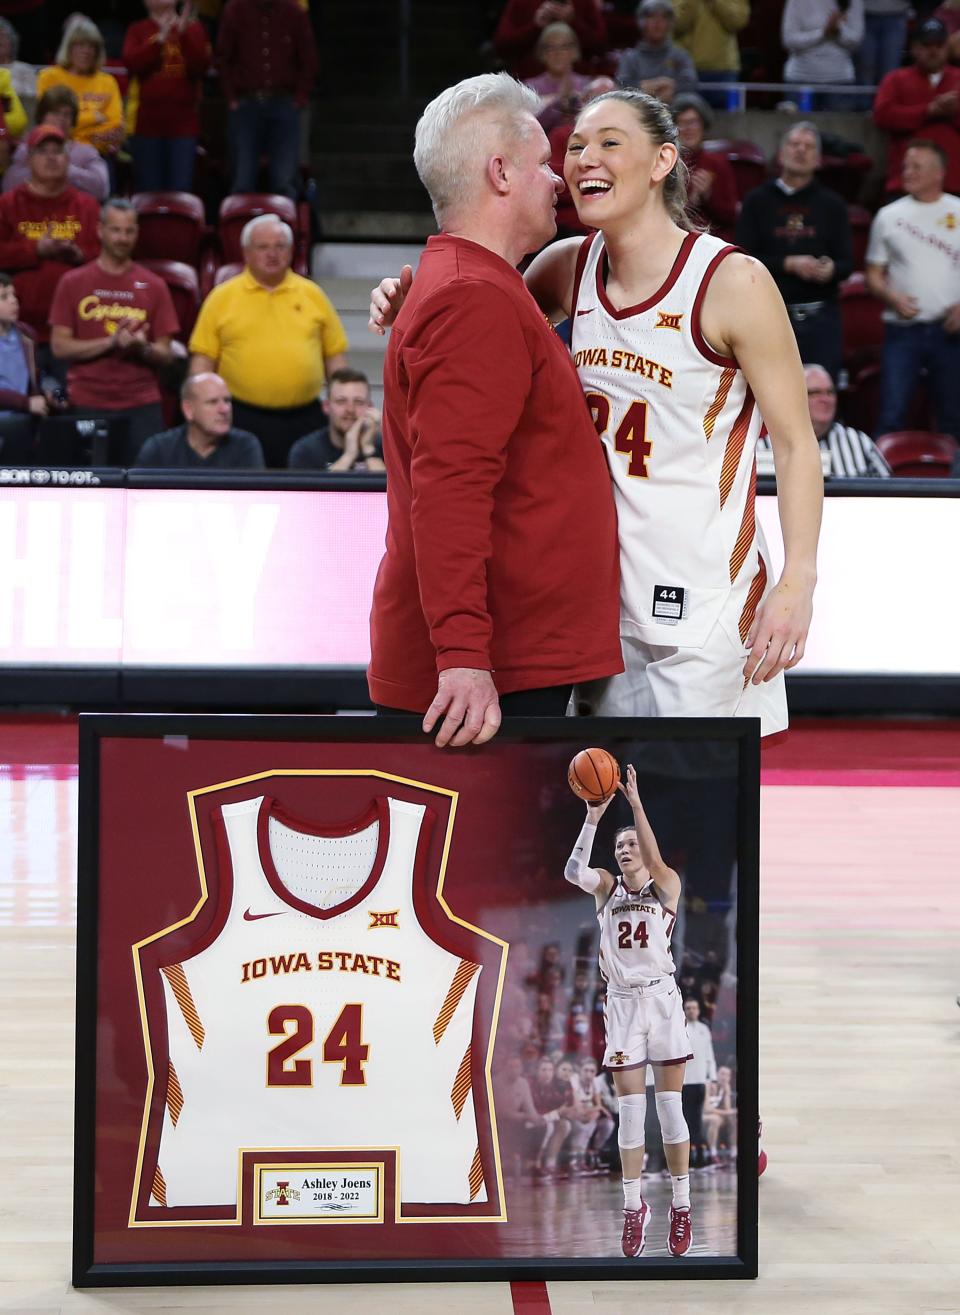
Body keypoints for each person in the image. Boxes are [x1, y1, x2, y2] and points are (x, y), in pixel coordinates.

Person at [372, 90, 822, 733]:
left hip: (702, 593)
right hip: (600, 609)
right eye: (576, 144)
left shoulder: (733, 281)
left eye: (610, 141)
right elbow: (475, 323)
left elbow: (797, 444)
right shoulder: (564, 268)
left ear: (664, 159)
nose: (584, 159)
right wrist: (410, 299)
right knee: (607, 822)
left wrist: (798, 584)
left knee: (693, 823)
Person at [366, 73, 622, 747]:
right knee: (492, 854)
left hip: (504, 653)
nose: (557, 180)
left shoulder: (468, 286)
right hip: (491, 671)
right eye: (543, 164)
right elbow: (449, 490)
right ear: (500, 173)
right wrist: (462, 656)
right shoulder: (472, 299)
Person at [563, 764, 694, 1258]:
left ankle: (681, 1203)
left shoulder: (665, 886)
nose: (624, 851)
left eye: (630, 844)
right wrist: (594, 818)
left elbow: (656, 858)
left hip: (661, 1000)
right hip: (621, 1004)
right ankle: (633, 1207)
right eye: (620, 847)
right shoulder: (606, 889)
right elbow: (574, 871)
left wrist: (636, 806)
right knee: (631, 1115)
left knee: (671, 1108)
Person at [189, 215, 348, 467]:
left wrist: (344, 399)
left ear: (291, 251)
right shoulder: (221, 298)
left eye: (280, 246)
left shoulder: (313, 295)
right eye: (263, 247)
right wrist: (198, 409)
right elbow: (201, 366)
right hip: (240, 418)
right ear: (246, 252)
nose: (272, 253)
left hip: (306, 418)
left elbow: (335, 360)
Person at [49, 197, 180, 461]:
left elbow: (166, 354)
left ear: (137, 233)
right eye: (116, 230)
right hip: (87, 401)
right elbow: (59, 346)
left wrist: (141, 347)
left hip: (141, 404)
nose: (123, 238)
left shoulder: (154, 285)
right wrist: (111, 342)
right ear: (100, 230)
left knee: (145, 489)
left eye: (129, 231)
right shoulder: (73, 282)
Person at [736, 121, 852, 383]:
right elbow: (743, 260)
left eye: (809, 147)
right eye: (794, 144)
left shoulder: (833, 205)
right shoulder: (756, 201)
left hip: (821, 321)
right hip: (770, 317)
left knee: (821, 396)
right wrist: (789, 264)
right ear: (781, 154)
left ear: (819, 159)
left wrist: (830, 269)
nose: (801, 151)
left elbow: (847, 264)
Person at [865, 139, 960, 442]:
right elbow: (873, 273)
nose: (908, 172)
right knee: (892, 414)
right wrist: (892, 297)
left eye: (916, 166)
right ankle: (880, 483)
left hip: (950, 333)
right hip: (902, 332)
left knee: (953, 418)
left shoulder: (958, 211)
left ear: (938, 173)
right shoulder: (888, 216)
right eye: (906, 165)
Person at [0, 125, 100, 359]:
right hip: (17, 327)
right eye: (43, 151)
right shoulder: (8, 204)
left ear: (68, 160)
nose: (51, 157)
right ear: (28, 160)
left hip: (75, 328)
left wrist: (78, 255)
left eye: (58, 151)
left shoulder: (87, 206)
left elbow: (105, 257)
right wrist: (35, 249)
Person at [216, 0, 317, 199]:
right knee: (242, 181)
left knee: (285, 182)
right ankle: (241, 228)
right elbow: (222, 58)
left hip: (284, 103)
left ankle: (284, 229)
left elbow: (309, 59)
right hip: (246, 104)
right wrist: (231, 98)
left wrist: (299, 98)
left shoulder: (294, 11)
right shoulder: (235, 10)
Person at [123, 0, 212, 193]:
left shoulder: (193, 28)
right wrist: (159, 40)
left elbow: (201, 67)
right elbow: (133, 64)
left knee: (181, 190)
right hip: (147, 125)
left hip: (184, 126)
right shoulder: (137, 29)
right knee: (148, 190)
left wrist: (184, 35)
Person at [873, 19, 960, 199]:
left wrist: (954, 112)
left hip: (953, 185)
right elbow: (882, 116)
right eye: (927, 45)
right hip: (905, 185)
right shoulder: (896, 79)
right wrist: (927, 111)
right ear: (914, 47)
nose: (933, 51)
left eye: (939, 45)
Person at [761, 363, 891, 476]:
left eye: (830, 392)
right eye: (814, 393)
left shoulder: (859, 442)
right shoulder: (763, 448)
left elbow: (889, 494)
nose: (825, 399)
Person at [35, 17, 124, 162]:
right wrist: (94, 118)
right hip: (59, 151)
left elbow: (115, 126)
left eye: (92, 46)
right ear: (68, 48)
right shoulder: (49, 77)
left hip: (98, 153)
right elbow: (49, 121)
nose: (86, 51)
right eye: (80, 45)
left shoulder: (107, 81)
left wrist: (79, 134)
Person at [135, 372, 265, 468]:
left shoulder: (245, 446)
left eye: (227, 401)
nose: (224, 409)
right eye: (212, 402)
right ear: (188, 410)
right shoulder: (159, 449)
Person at [3, 86, 109, 200]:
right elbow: (8, 186)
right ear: (42, 116)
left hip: (71, 214)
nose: (61, 119)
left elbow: (102, 189)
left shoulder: (85, 152)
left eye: (67, 114)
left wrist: (67, 170)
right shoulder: (26, 148)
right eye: (55, 113)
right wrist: (44, 170)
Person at [287, 367, 384, 472]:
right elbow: (320, 488)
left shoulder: (387, 448)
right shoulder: (306, 451)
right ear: (326, 406)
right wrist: (349, 455)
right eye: (341, 401)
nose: (350, 409)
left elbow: (389, 487)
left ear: (370, 407)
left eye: (358, 402)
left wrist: (368, 449)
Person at [493, 0, 607, 81]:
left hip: (579, 89)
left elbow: (602, 46)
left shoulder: (583, 2)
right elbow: (501, 46)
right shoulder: (521, 2)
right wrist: (535, 27)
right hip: (530, 89)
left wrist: (573, 21)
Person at [672, 91, 737, 232]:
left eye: (693, 122)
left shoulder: (717, 163)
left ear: (703, 126)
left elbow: (731, 216)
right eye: (681, 123)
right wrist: (690, 200)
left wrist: (708, 196)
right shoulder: (666, 163)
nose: (688, 129)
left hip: (710, 238)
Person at [781, 0, 864, 110]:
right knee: (800, 126)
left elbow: (856, 40)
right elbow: (789, 40)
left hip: (840, 81)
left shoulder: (854, 2)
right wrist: (823, 33)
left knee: (838, 126)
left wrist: (838, 31)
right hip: (801, 80)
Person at [0, 272, 48, 463]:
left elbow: (34, 380)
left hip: (23, 421)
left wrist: (48, 396)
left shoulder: (27, 335)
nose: (14, 302)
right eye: (4, 297)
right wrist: (26, 403)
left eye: (14, 296)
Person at [617, 0, 699, 105]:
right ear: (641, 22)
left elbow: (691, 83)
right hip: (639, 110)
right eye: (651, 16)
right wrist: (644, 88)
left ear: (670, 23)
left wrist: (673, 88)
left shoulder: (681, 55)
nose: (657, 22)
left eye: (664, 17)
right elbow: (621, 85)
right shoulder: (629, 57)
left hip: (674, 110)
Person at [524, 22, 595, 134]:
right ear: (542, 53)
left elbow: (593, 121)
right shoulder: (531, 87)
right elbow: (529, 125)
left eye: (564, 47)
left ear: (574, 51)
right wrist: (559, 100)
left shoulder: (587, 84)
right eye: (551, 48)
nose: (557, 53)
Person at [673, 0, 748, 102]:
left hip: (723, 69)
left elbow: (737, 22)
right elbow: (674, 25)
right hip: (684, 69)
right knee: (683, 115)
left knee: (730, 117)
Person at [681, 997, 717, 1168]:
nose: (691, 1011)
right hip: (684, 1081)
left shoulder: (704, 1029)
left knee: (697, 1119)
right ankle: (686, 1155)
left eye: (694, 1007)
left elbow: (709, 1055)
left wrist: (713, 1078)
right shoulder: (679, 1028)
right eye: (688, 1008)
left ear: (698, 1010)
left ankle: (699, 1153)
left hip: (700, 1080)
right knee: (686, 1118)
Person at [529, 1056, 574, 1178]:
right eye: (543, 1070)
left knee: (565, 1125)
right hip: (526, 1120)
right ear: (537, 1071)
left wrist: (561, 1112)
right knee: (548, 1126)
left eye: (550, 1070)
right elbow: (537, 1115)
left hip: (544, 1119)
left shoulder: (555, 1086)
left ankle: (550, 1164)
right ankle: (536, 1164)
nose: (547, 1073)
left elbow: (568, 1107)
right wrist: (557, 1113)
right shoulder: (530, 1084)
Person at [859, 0, 910, 87]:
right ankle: (864, 100)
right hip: (864, 13)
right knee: (865, 70)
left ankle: (887, 100)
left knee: (890, 72)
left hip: (896, 13)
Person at [0, 16, 37, 100]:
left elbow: (33, 100)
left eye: (3, 35)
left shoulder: (25, 70)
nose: (0, 40)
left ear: (12, 42)